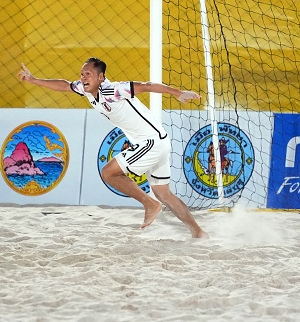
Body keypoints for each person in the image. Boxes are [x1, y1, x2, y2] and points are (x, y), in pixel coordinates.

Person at [18, 59, 208, 239]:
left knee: (108, 172)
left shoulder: (113, 90)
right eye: (82, 74)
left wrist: (178, 93)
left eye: (88, 74)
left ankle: (149, 204)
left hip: (152, 142)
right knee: (163, 193)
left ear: (101, 77)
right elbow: (64, 85)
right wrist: (34, 80)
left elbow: (147, 85)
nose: (83, 78)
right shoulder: (86, 90)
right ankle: (198, 232)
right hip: (156, 142)